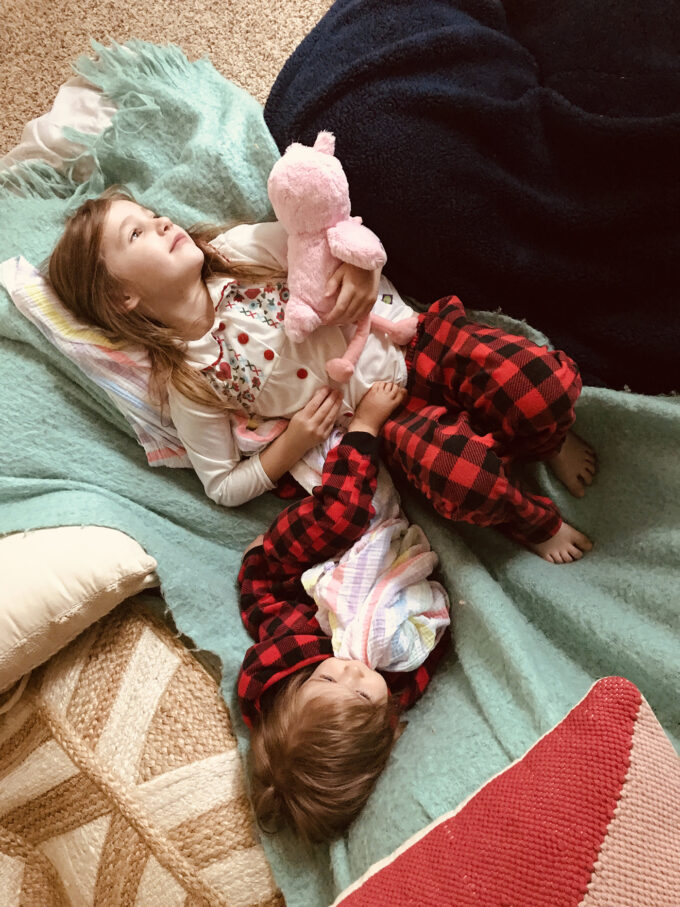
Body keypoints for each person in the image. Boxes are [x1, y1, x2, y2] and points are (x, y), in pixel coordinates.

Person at [48, 186, 597, 563]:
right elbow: (222, 486)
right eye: (136, 234)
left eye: (149, 213)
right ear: (123, 298)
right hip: (385, 414)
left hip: (409, 333)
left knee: (533, 386)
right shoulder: (191, 383)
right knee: (463, 479)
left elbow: (335, 235)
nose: (162, 221)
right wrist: (293, 444)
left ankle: (547, 440)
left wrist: (361, 269)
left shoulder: (239, 251)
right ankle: (533, 521)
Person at [237, 380, 451, 842]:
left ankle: (363, 426)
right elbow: (430, 636)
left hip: (300, 562)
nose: (351, 674)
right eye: (361, 697)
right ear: (386, 731)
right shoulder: (399, 685)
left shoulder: (290, 659)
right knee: (370, 512)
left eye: (326, 679)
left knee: (342, 514)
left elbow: (262, 603)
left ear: (299, 684)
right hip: (374, 557)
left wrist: (257, 557)